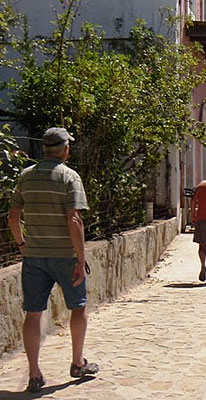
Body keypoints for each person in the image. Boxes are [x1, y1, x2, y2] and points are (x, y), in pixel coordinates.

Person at [8, 127, 99, 393]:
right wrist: (80, 259)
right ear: (65, 150)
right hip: (64, 257)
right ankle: (77, 362)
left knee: (33, 313)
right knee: (78, 307)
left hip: (34, 256)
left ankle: (35, 374)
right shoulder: (69, 177)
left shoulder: (26, 177)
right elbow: (74, 219)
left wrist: (22, 244)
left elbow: (13, 216)